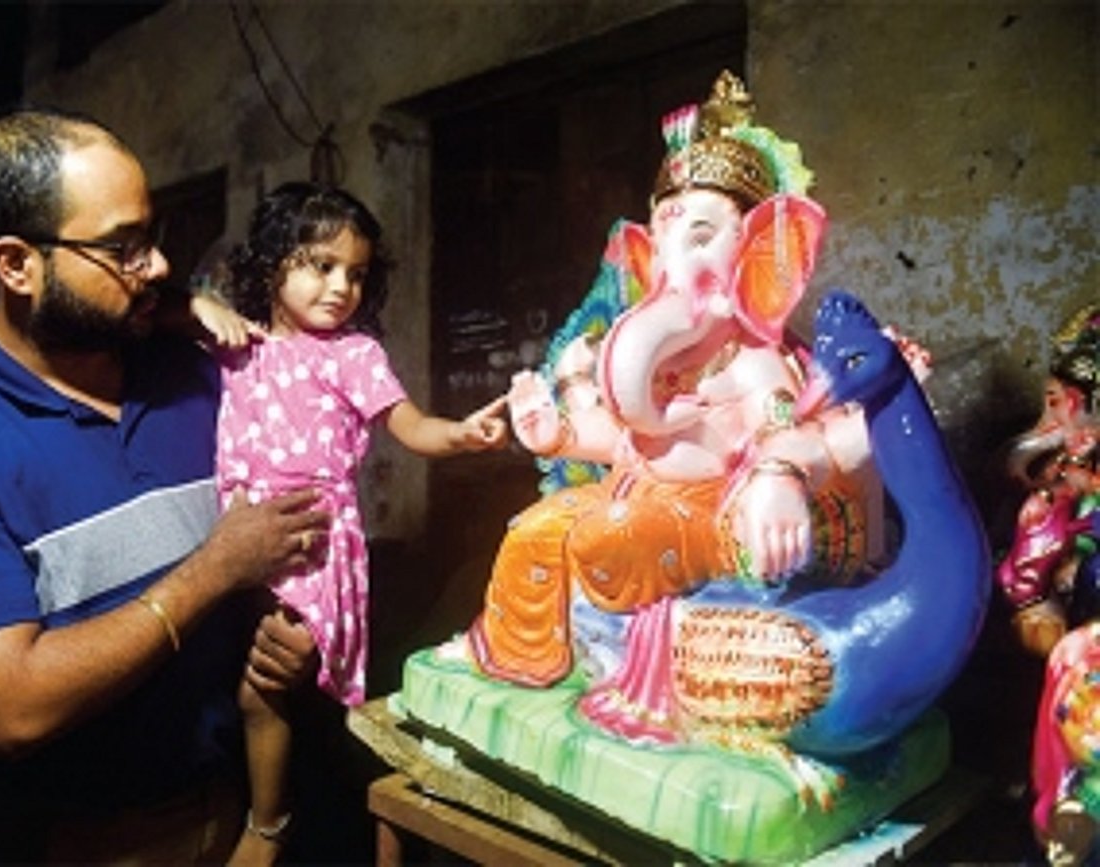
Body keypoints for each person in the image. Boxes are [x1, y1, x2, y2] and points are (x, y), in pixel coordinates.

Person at [0, 107, 330, 864]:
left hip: (238, 801)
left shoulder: (194, 374)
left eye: (152, 236)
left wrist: (288, 637)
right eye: (123, 247)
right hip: (76, 844)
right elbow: (14, 707)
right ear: (16, 265)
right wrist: (218, 568)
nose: (158, 266)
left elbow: (277, 541)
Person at [466, 71, 885, 701]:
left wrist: (778, 478)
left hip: (704, 518)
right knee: (533, 527)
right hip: (634, 496)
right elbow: (630, 437)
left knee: (608, 532)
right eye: (663, 246)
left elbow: (787, 434)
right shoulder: (669, 363)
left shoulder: (751, 363)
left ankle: (616, 663)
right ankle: (521, 657)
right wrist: (560, 435)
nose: (673, 265)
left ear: (758, 257)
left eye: (702, 238)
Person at [214, 181, 509, 865]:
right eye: (322, 265)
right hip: (239, 535)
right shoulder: (239, 341)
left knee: (264, 691)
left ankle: (268, 826)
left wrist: (461, 434)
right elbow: (164, 316)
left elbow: (412, 426)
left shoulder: (355, 354)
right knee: (250, 677)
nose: (341, 287)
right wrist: (198, 304)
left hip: (311, 535)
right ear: (273, 262)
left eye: (356, 273)